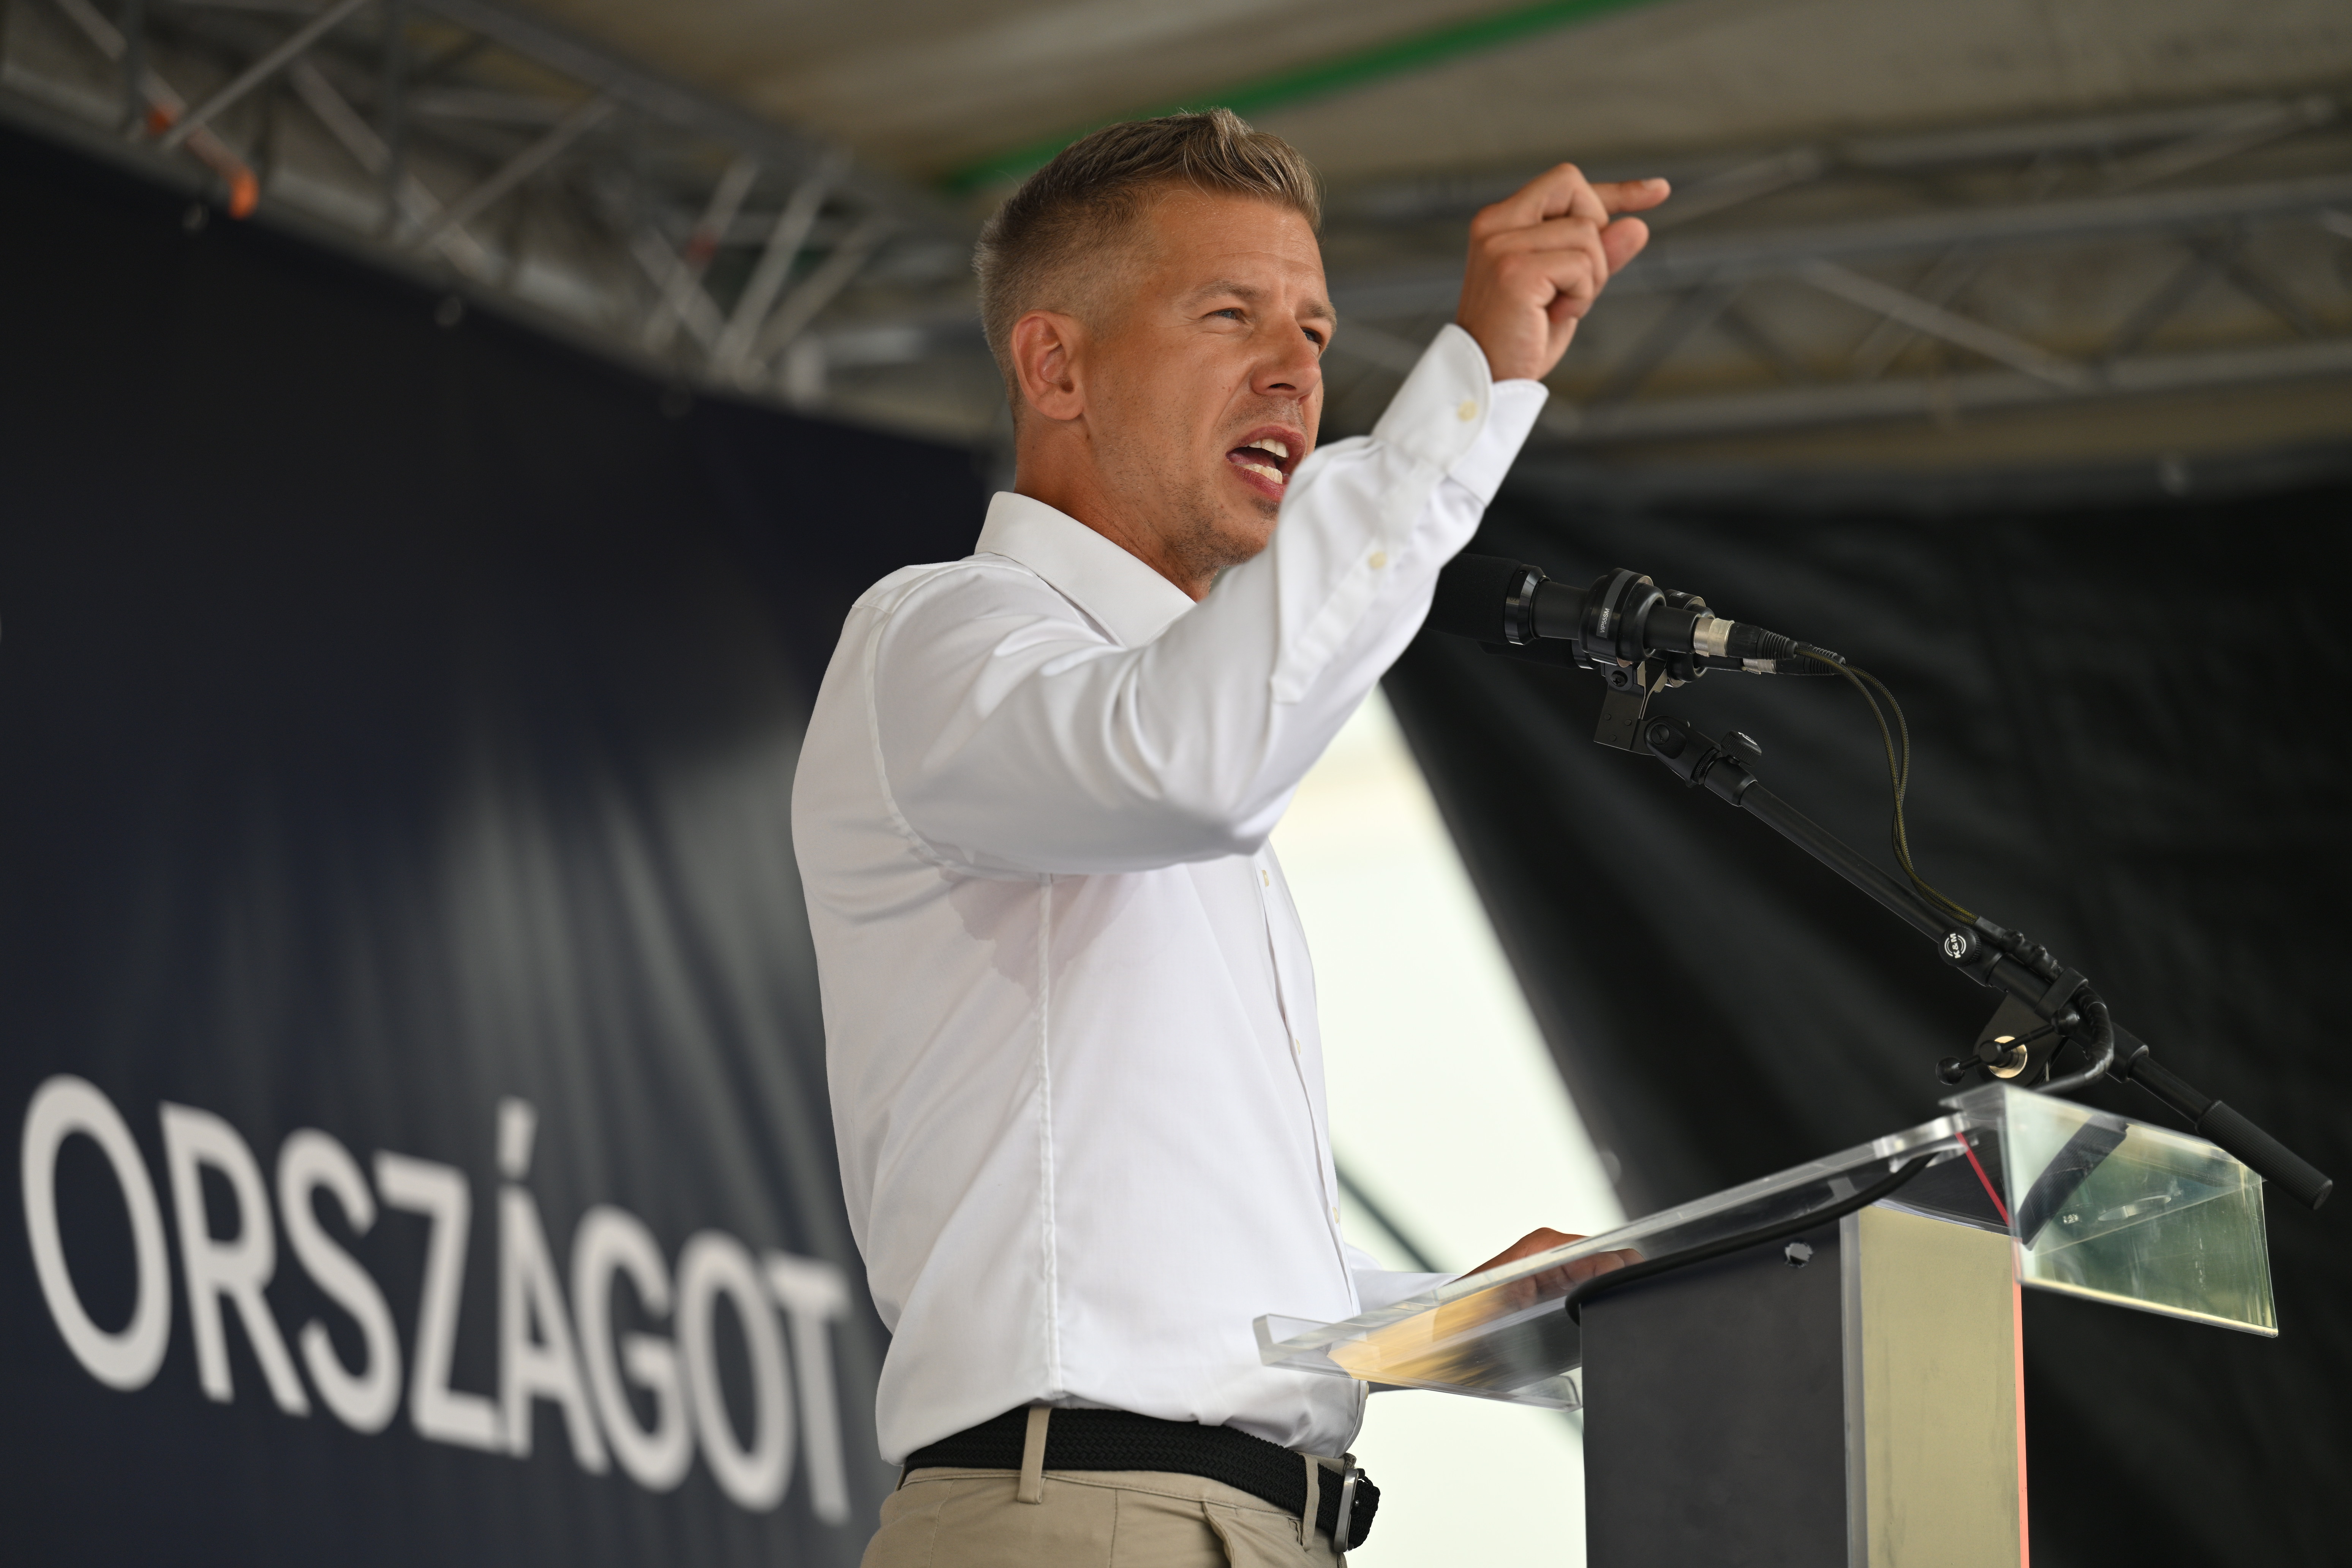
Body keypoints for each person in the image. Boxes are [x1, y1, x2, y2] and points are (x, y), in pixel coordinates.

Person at [792, 107, 1662, 1567]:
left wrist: (1470, 1315)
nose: (1297, 370)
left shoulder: (1170, 719)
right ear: (1056, 366)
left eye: (1316, 331)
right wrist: (1476, 378)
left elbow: (1180, 1295)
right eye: (1228, 315)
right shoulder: (943, 638)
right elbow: (1192, 759)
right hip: (1088, 1519)